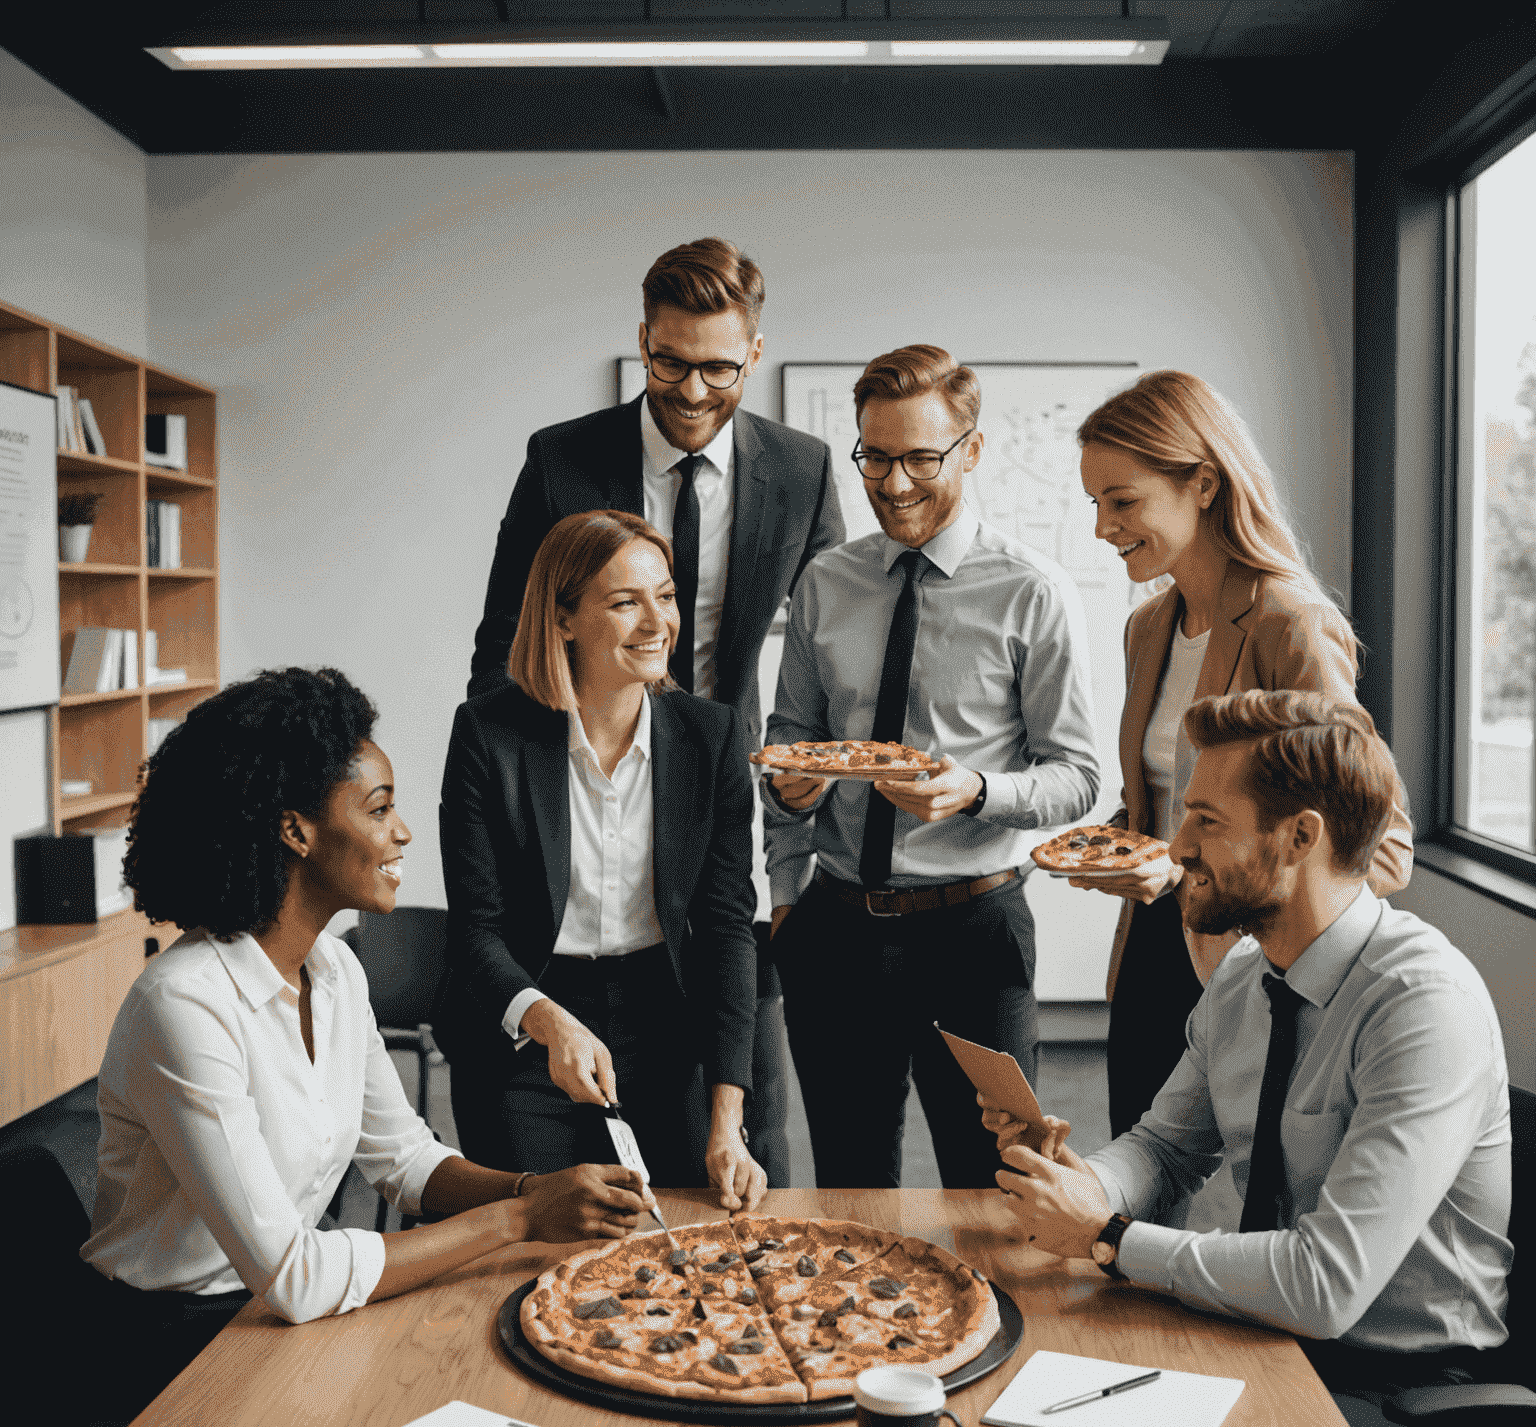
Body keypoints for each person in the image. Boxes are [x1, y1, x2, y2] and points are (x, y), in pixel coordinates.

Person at [983, 690, 1511, 1427]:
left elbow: (1325, 1285)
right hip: (1261, 1336)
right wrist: (1089, 1183)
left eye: (1205, 819)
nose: (1177, 845)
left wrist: (1108, 1237)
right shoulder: (1243, 975)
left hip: (1397, 1388)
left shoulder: (1422, 1005)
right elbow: (1163, 1146)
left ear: (1300, 837)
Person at [82, 666, 650, 1424]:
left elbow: (405, 1163)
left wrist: (534, 1189)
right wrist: (520, 1219)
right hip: (165, 1352)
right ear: (296, 830)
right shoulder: (184, 1006)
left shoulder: (336, 970)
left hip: (268, 1321)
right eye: (379, 809)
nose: (402, 832)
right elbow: (294, 1275)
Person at [468, 236, 845, 1188]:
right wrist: (510, 776)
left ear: (754, 354)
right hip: (580, 751)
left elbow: (835, 637)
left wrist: (820, 762)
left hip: (718, 769)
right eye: (668, 362)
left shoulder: (799, 468)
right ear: (643, 340)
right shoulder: (562, 459)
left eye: (718, 367)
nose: (689, 389)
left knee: (744, 1091)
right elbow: (503, 633)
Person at [764, 345, 1100, 1189]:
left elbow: (1078, 776)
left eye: (921, 457)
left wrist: (978, 791)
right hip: (835, 928)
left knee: (996, 1185)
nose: (895, 482)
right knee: (849, 1186)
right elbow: (789, 738)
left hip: (973, 935)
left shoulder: (1033, 591)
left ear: (972, 451)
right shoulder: (825, 583)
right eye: (874, 456)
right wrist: (785, 846)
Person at [1071, 371, 1413, 1136]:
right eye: (1094, 503)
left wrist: (1190, 863)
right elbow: (1167, 804)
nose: (1102, 527)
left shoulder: (1289, 623)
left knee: (1231, 1209)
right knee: (1140, 1175)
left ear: (1202, 483)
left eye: (1122, 501)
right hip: (1154, 950)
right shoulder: (1149, 627)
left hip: (1254, 959)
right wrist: (1122, 848)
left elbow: (1383, 846)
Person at [439, 510, 767, 1210]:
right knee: (544, 1246)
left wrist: (728, 1120)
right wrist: (548, 1020)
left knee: (688, 1239)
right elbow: (476, 929)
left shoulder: (712, 738)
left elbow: (727, 929)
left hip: (665, 1017)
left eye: (666, 595)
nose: (657, 623)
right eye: (625, 602)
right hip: (529, 1022)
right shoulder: (487, 735)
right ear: (563, 620)